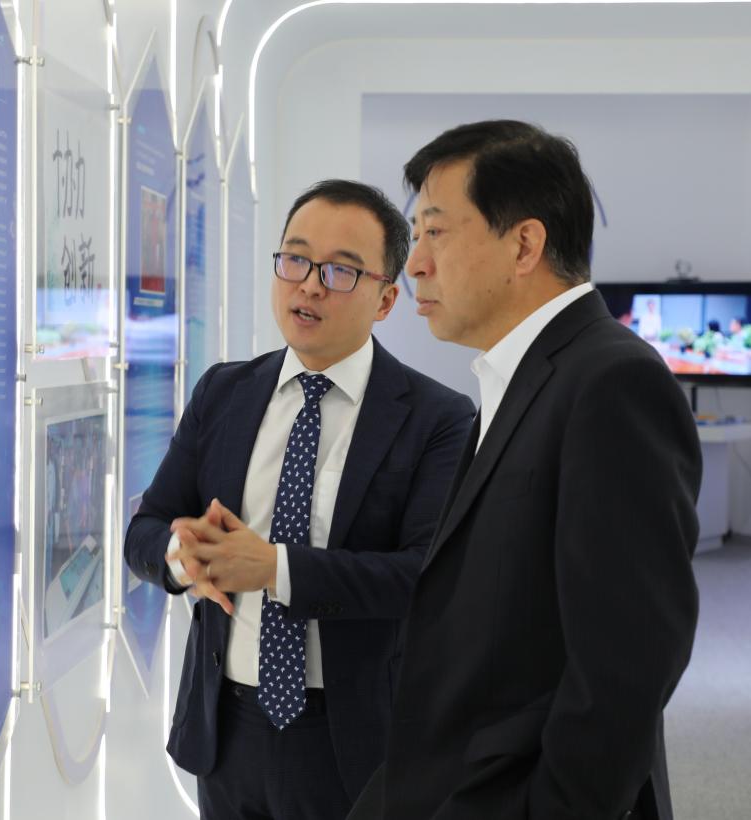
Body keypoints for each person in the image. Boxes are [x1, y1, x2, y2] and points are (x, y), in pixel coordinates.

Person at [348, 120, 702, 820]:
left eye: (435, 231)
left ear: (524, 245)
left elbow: (627, 665)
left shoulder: (611, 382)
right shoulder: (525, 377)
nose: (414, 264)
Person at [124, 179, 475, 820]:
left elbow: (426, 579)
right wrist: (184, 556)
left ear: (385, 298)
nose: (309, 285)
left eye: (341, 271)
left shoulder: (439, 418)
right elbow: (144, 529)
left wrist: (275, 569)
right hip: (226, 726)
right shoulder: (223, 392)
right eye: (295, 259)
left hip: (353, 737)